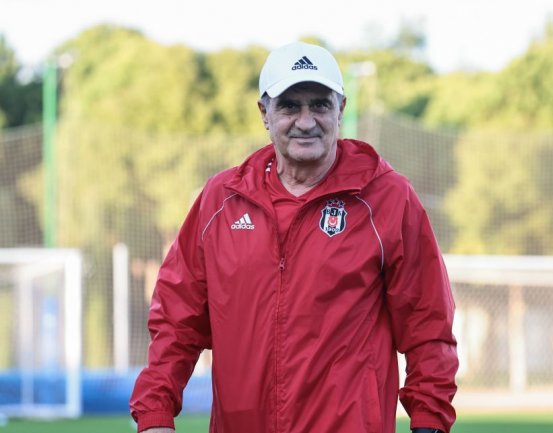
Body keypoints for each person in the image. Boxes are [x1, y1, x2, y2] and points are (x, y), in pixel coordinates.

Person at [130, 41, 458, 433]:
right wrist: (155, 412)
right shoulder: (221, 201)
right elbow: (176, 320)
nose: (305, 121)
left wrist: (429, 419)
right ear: (264, 113)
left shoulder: (388, 198)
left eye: (319, 104)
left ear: (341, 109)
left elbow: (428, 323)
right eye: (289, 106)